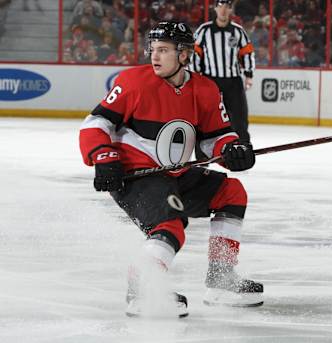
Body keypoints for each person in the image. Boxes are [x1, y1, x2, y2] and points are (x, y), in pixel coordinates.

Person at [79, 21, 263, 318]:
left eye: (163, 50)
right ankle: (141, 289)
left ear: (185, 55)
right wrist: (103, 156)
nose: (154, 56)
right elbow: (96, 124)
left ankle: (221, 279)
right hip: (135, 176)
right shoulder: (133, 82)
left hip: (175, 174)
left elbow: (215, 138)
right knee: (171, 227)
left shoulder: (205, 89)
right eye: (152, 49)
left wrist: (231, 150)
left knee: (231, 193)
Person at [192, 0, 255, 143]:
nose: (223, 10)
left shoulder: (238, 31)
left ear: (231, 10)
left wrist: (249, 75)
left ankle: (243, 147)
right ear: (215, 9)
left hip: (233, 82)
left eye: (227, 7)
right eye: (220, 7)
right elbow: (194, 54)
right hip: (210, 81)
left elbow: (247, 53)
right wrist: (196, 76)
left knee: (239, 118)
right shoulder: (204, 30)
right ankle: (203, 155)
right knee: (206, 118)